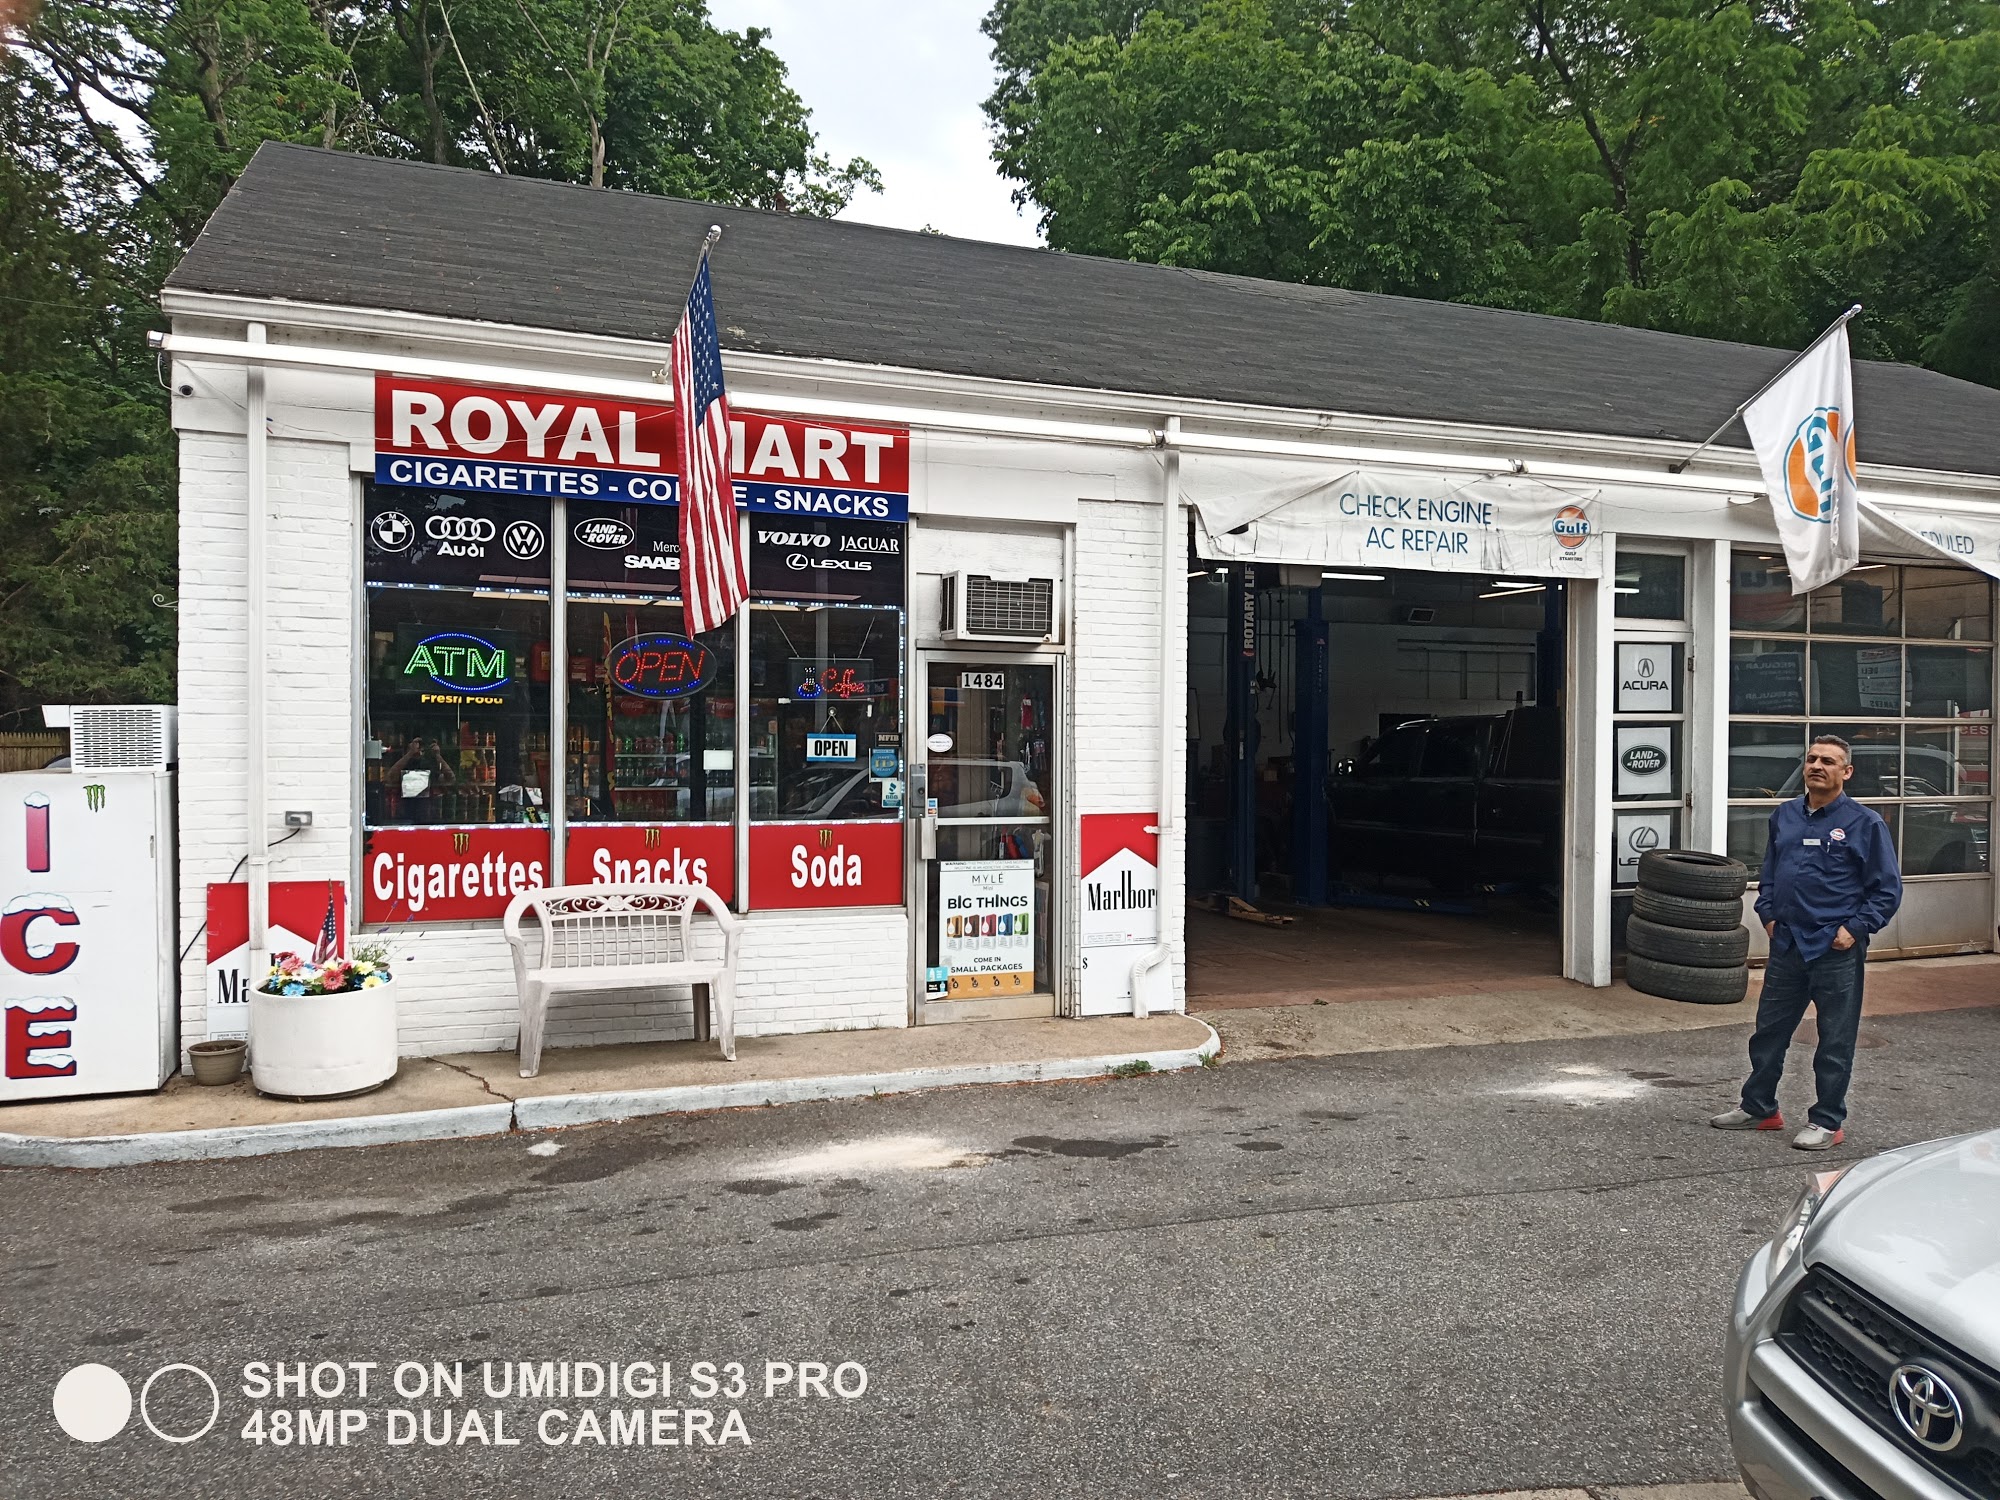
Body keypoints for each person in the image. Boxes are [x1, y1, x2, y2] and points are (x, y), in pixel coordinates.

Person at [1711, 734, 1901, 1150]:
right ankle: (1760, 1108)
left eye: (1828, 761)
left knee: (1834, 1040)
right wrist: (1768, 914)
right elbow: (1770, 872)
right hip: (1788, 945)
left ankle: (1827, 1121)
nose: (1816, 766)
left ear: (1847, 772)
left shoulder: (1865, 823)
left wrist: (1854, 929)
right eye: (1812, 759)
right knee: (1768, 1033)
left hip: (1835, 949)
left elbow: (1887, 890)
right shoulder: (1784, 815)